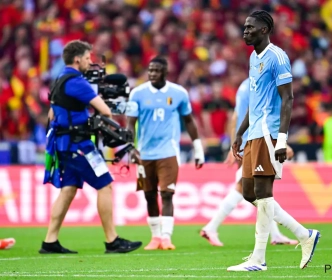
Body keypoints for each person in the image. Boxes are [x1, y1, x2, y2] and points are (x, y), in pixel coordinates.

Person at [227, 11, 321, 272]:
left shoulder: (278, 57)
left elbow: (288, 98)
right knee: (249, 193)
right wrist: (239, 132)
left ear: (265, 29)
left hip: (269, 133)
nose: (245, 31)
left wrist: (282, 140)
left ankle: (261, 258)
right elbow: (254, 101)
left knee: (263, 194)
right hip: (253, 132)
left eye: (250, 28)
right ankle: (303, 235)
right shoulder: (252, 57)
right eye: (244, 27)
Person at [40, 40, 142, 254]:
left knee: (67, 190)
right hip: (80, 145)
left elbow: (51, 115)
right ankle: (112, 240)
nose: (90, 62)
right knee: (105, 185)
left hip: (63, 144)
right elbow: (105, 111)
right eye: (87, 58)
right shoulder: (78, 82)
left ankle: (50, 241)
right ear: (77, 59)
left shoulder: (58, 80)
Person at [200, 78, 298, 246]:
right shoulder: (260, 85)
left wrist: (234, 143)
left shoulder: (246, 85)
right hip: (255, 142)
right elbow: (261, 116)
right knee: (250, 189)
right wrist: (283, 143)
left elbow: (236, 117)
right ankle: (211, 227)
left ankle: (275, 234)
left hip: (249, 141)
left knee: (260, 190)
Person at [127, 56, 205, 250]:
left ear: (165, 72)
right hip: (144, 153)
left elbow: (189, 120)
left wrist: (198, 148)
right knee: (149, 195)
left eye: (156, 71)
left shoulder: (179, 93)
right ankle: (155, 238)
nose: (152, 74)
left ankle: (166, 237)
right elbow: (130, 123)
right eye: (150, 70)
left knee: (167, 194)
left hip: (169, 152)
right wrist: (130, 147)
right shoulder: (137, 93)